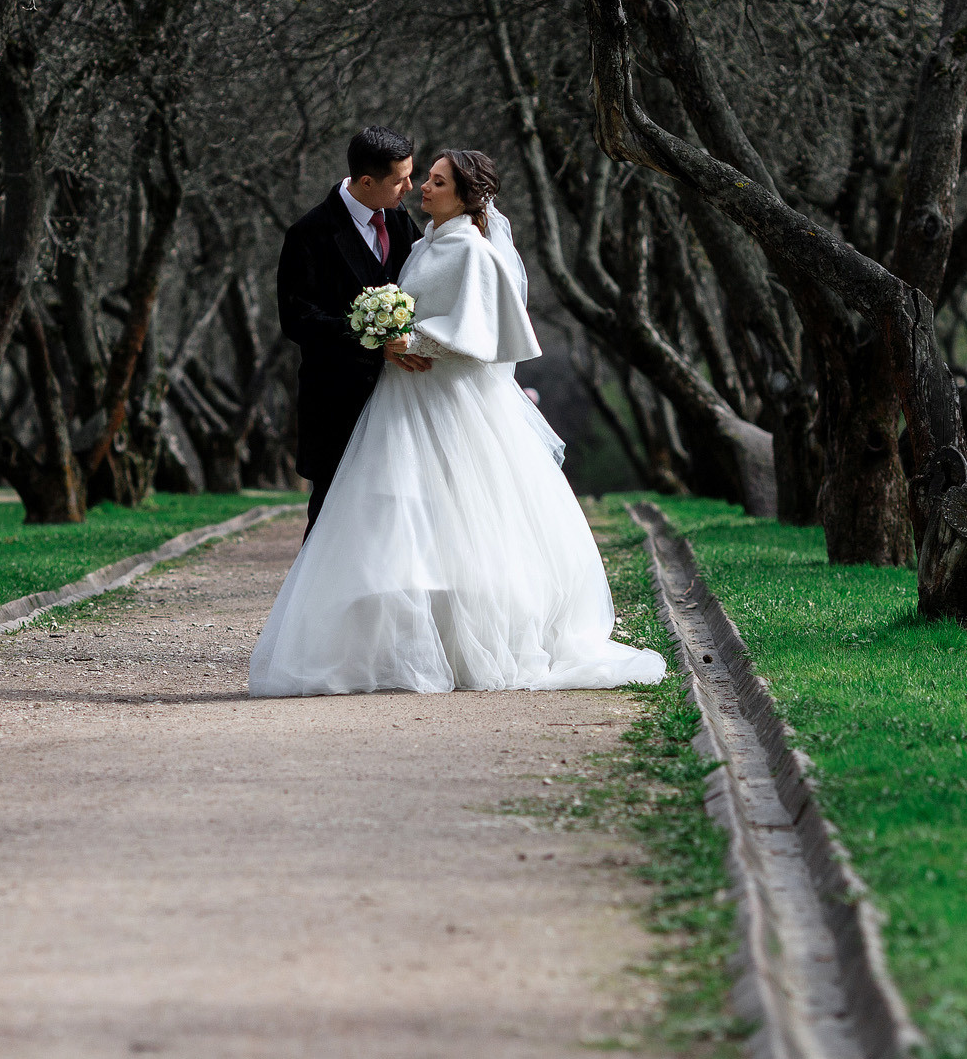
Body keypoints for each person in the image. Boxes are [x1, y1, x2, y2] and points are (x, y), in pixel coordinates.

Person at [249, 150, 666, 696]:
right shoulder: (424, 239)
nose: (422, 186)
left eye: (436, 180)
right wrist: (384, 335)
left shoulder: (471, 250)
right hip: (403, 395)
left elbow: (480, 331)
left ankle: (469, 646)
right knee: (393, 521)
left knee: (464, 519)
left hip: (444, 398)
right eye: (420, 177)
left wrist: (413, 339)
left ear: (469, 196)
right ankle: (395, 643)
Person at [276, 126, 425, 539]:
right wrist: (371, 339)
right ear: (365, 181)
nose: (410, 187)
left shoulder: (399, 222)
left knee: (398, 514)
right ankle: (315, 604)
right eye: (400, 180)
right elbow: (297, 319)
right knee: (331, 517)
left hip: (399, 398)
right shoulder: (308, 234)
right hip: (335, 402)